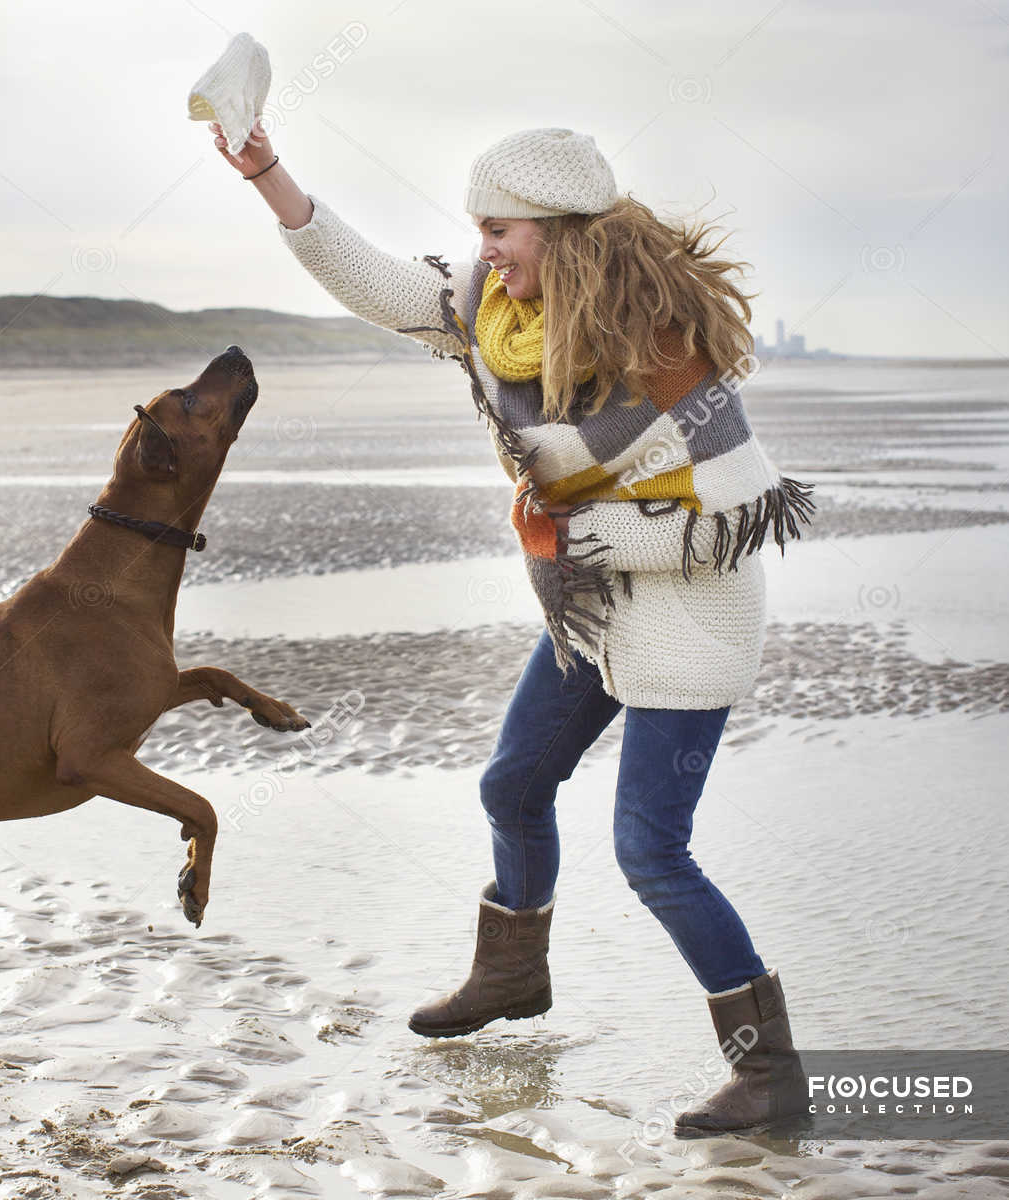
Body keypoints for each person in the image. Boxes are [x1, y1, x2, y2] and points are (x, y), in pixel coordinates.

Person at [209, 118, 816, 1135]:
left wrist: (582, 535)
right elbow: (372, 280)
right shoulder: (490, 311)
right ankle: (513, 976)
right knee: (512, 784)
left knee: (652, 852)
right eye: (477, 227)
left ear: (565, 234)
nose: (486, 246)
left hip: (690, 616)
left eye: (502, 227)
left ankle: (769, 1076)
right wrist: (268, 172)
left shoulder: (664, 353)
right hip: (595, 606)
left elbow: (736, 525)